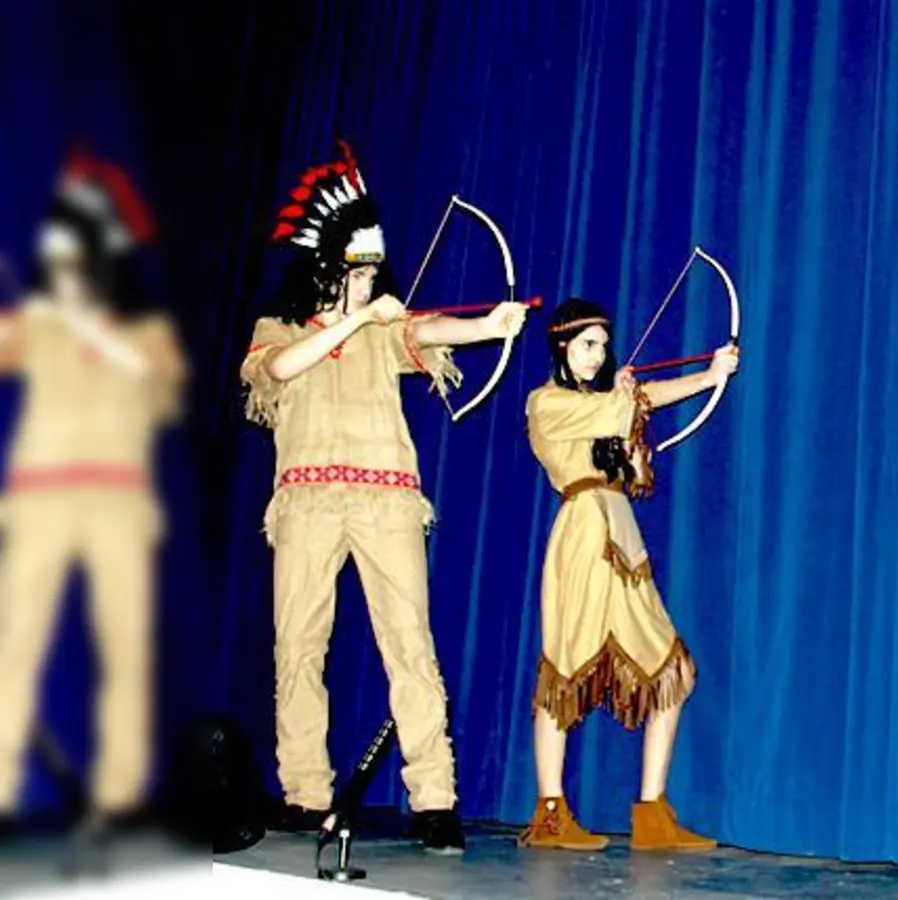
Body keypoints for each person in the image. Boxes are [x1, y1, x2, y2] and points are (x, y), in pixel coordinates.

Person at [240, 139, 527, 854]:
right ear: (329, 267)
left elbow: (427, 330)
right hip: (306, 503)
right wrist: (357, 319)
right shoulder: (280, 328)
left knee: (410, 644)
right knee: (298, 646)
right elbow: (279, 367)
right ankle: (305, 792)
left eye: (373, 271)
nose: (368, 282)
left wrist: (489, 325)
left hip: (386, 500)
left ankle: (435, 799)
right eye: (356, 270)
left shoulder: (384, 329)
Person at [0, 149, 184, 834]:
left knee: (126, 648)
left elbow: (159, 392)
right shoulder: (37, 323)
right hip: (40, 496)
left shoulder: (148, 331)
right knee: (12, 642)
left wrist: (89, 330)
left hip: (118, 501)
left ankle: (120, 794)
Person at [518, 297, 736, 852]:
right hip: (584, 531)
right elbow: (623, 408)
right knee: (565, 672)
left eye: (600, 346)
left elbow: (645, 399)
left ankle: (651, 813)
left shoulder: (605, 400)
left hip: (620, 533)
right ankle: (549, 812)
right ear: (562, 346)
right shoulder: (545, 402)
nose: (596, 356)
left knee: (671, 671)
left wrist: (710, 375)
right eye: (585, 345)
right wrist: (624, 395)